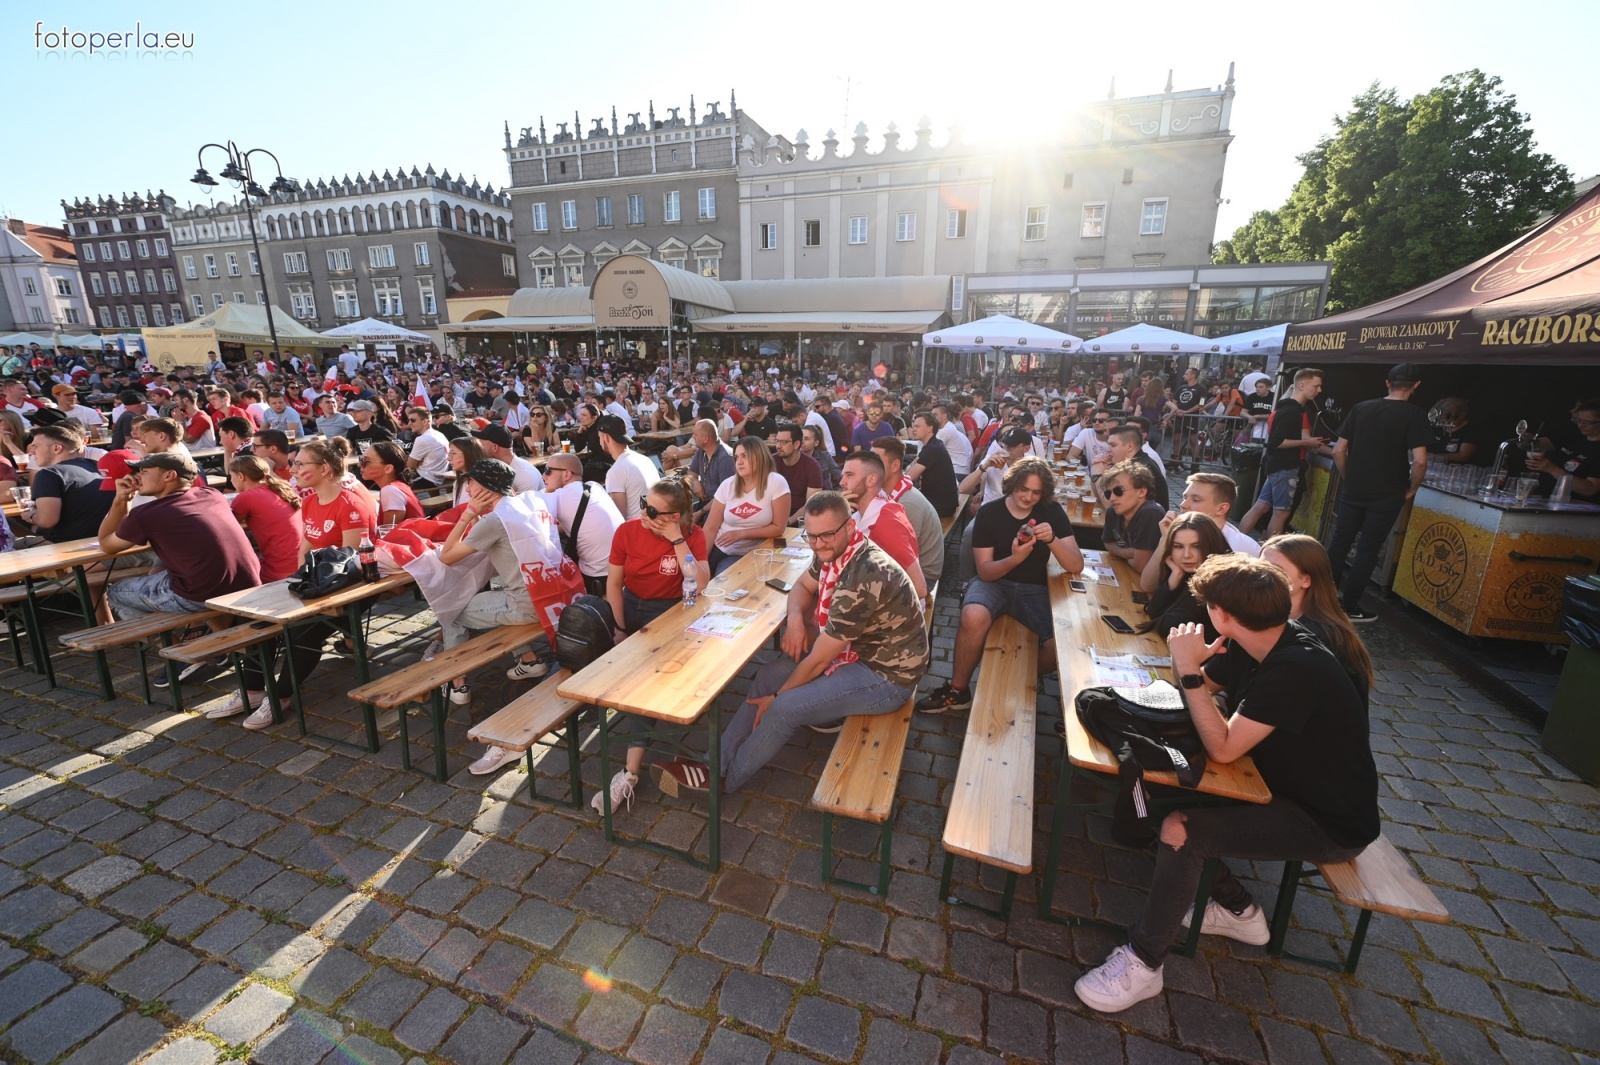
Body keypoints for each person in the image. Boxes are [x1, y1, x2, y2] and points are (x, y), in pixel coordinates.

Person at [1074, 555, 1378, 1013]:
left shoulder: (1296, 668)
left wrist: (1189, 668)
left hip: (1327, 822)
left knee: (1181, 830)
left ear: (1222, 614)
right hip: (1277, 787)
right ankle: (1240, 911)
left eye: (1207, 608)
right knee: (1148, 794)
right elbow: (1200, 695)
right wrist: (1190, 668)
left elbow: (1223, 747)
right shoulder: (1256, 638)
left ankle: (1144, 962)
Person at [670, 491, 929, 793]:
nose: (818, 544)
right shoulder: (838, 552)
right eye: (812, 536)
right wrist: (795, 619)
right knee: (768, 674)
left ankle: (723, 782)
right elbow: (802, 586)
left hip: (888, 677)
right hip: (858, 656)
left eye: (827, 535)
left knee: (785, 708)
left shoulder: (862, 574)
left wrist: (778, 698)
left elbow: (819, 659)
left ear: (849, 527)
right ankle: (713, 762)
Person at [224, 438, 378, 728]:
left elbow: (351, 566)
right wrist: (296, 586)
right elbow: (303, 550)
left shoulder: (351, 505)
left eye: (300, 463)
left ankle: (281, 696)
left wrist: (309, 599)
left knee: (302, 634)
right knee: (264, 623)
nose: (292, 468)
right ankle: (252, 690)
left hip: (351, 590)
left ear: (325, 469)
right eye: (294, 463)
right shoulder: (309, 500)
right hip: (315, 584)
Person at [917, 457, 1084, 713]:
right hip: (995, 583)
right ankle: (958, 690)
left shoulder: (1051, 512)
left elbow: (1075, 565)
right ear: (1011, 485)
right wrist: (1015, 559)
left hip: (1035, 587)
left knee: (1060, 643)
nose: (1028, 497)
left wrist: (1052, 540)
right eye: (1023, 489)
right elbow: (984, 572)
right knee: (972, 614)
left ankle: (1012, 680)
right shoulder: (990, 512)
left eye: (1036, 492)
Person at [596, 479, 712, 813]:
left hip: (672, 612)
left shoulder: (691, 535)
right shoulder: (628, 531)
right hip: (631, 606)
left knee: (641, 687)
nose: (644, 512)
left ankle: (630, 772)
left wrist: (676, 538)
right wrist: (619, 628)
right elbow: (614, 585)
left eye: (653, 510)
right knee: (633, 683)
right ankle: (632, 762)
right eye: (645, 503)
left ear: (675, 516)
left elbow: (699, 584)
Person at [434, 459, 553, 722]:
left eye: (471, 484)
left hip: (525, 604)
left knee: (450, 611)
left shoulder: (495, 521)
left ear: (486, 488)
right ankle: (530, 659)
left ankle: (457, 684)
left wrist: (467, 515)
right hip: (549, 595)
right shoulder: (523, 504)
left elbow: (446, 557)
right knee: (489, 601)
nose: (467, 490)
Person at [97, 451, 260, 619]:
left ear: (169, 475)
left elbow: (106, 545)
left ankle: (168, 643)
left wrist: (121, 499)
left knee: (116, 592)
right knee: (175, 576)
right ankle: (213, 635)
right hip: (247, 582)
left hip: (200, 594)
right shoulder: (212, 494)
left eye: (144, 471)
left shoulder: (147, 514)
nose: (138, 476)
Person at [1327, 363, 1432, 622]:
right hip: (1388, 492)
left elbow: (1338, 451)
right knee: (1367, 549)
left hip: (1355, 488)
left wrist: (1348, 476)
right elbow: (1419, 461)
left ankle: (1322, 601)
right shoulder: (1415, 414)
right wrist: (1413, 488)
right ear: (1416, 386)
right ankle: (1349, 607)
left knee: (1340, 542)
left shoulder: (1362, 408)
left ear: (1387, 383)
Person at [1260, 534, 1374, 695]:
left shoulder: (1320, 637)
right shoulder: (1266, 614)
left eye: (1275, 570)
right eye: (1260, 566)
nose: (1260, 575)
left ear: (1306, 580)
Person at [1236, 368, 1329, 541]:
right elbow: (1276, 442)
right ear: (1301, 385)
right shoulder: (1292, 411)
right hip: (1284, 466)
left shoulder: (1288, 408)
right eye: (1316, 386)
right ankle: (1268, 555)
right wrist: (1306, 442)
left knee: (1262, 506)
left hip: (1276, 465)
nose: (1319, 390)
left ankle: (1235, 543)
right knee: (1281, 512)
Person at [839, 450, 927, 601]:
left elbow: (919, 589)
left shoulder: (886, 524)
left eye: (849, 475)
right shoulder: (859, 511)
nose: (842, 482)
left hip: (893, 613)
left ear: (871, 480)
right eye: (843, 476)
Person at [704, 437, 792, 575]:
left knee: (723, 582)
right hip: (719, 548)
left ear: (759, 456)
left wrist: (741, 534)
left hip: (750, 553)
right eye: (736, 457)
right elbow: (710, 528)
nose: (739, 462)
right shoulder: (728, 485)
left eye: (745, 456)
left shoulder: (776, 482)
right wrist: (700, 560)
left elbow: (779, 528)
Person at [540, 451, 624, 596]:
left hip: (599, 578)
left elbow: (523, 513)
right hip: (623, 567)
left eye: (548, 471)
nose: (543, 476)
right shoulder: (594, 486)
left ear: (566, 474)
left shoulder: (559, 496)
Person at [1137, 511, 1231, 639]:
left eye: (1196, 546)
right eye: (1178, 546)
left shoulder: (1217, 580)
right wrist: (1173, 580)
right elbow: (1153, 610)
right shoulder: (1187, 572)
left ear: (1211, 544)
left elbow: (1170, 627)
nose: (1187, 555)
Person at [22, 423, 114, 544]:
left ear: (56, 448)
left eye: (35, 446)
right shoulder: (96, 465)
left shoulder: (49, 474)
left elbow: (47, 521)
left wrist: (30, 515)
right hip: (106, 540)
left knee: (10, 546)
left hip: (70, 547)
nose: (31, 452)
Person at [873, 436, 944, 587]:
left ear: (895, 465)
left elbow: (902, 555)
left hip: (922, 577)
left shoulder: (907, 502)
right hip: (906, 568)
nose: (869, 466)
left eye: (876, 461)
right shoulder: (892, 492)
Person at [228, 455, 304, 583]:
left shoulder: (246, 497)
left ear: (241, 476)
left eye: (231, 476)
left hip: (280, 571)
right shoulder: (283, 488)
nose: (231, 480)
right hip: (302, 564)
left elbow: (226, 526)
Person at [1527, 397, 1600, 502]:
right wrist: (1526, 440)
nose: (1580, 425)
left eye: (1587, 423)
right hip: (1549, 501)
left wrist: (1553, 469)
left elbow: (1589, 489)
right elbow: (1536, 443)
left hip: (1579, 511)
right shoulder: (1575, 439)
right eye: (1578, 420)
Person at [1100, 461, 1165, 574]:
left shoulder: (1150, 514)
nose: (1111, 498)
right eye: (1108, 493)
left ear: (1141, 491)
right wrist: (1126, 553)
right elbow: (1107, 543)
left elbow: (1141, 566)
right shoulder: (1113, 511)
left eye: (1118, 491)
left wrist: (1121, 554)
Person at [1175, 472, 1259, 557]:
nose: (1183, 505)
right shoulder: (1174, 534)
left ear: (1221, 509)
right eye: (1185, 498)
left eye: (1196, 500)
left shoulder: (1243, 549)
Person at [1093, 424, 1168, 509]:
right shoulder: (1131, 462)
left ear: (1129, 446)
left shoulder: (1139, 468)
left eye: (1113, 445)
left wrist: (1097, 475)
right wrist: (1094, 473)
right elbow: (1098, 498)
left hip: (1146, 520)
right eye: (1108, 445)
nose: (1108, 449)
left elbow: (1111, 506)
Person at [906, 411, 958, 518]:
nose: (913, 429)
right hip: (943, 502)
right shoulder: (935, 444)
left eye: (917, 426)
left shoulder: (932, 449)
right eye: (913, 426)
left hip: (941, 506)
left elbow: (908, 478)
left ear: (929, 428)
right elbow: (913, 466)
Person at [682, 419, 735, 522]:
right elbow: (691, 472)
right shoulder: (701, 451)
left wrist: (700, 512)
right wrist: (695, 481)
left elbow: (726, 496)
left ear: (705, 439)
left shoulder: (725, 458)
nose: (693, 437)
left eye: (695, 434)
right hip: (705, 501)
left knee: (698, 524)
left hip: (721, 506)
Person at [360, 442, 424, 526]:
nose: (359, 464)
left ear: (388, 468)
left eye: (365, 461)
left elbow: (388, 532)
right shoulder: (398, 485)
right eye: (360, 459)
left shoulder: (390, 491)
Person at [472, 425, 544, 494]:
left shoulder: (525, 474)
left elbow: (526, 506)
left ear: (495, 448)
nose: (478, 448)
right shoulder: (494, 468)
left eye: (481, 445)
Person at [771, 422, 823, 512]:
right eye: (777, 441)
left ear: (796, 444)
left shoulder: (812, 466)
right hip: (774, 513)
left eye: (784, 442)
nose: (778, 446)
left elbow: (811, 505)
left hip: (800, 518)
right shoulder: (771, 462)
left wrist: (788, 522)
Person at [1424, 398, 1487, 465]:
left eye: (1445, 417)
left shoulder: (1471, 430)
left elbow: (1463, 456)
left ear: (1460, 415)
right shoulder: (1437, 427)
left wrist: (1434, 457)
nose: (1442, 421)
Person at [405, 407, 452, 488]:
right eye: (409, 420)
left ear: (425, 421)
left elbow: (410, 466)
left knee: (390, 481)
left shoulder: (422, 439)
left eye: (413, 420)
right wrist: (419, 463)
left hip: (427, 479)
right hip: (438, 476)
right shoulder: (438, 434)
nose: (410, 423)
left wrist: (417, 463)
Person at [800, 424, 841, 492]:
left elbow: (839, 477)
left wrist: (836, 494)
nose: (802, 442)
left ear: (816, 443)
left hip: (825, 497)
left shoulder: (825, 456)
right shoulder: (793, 457)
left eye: (806, 439)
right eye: (800, 438)